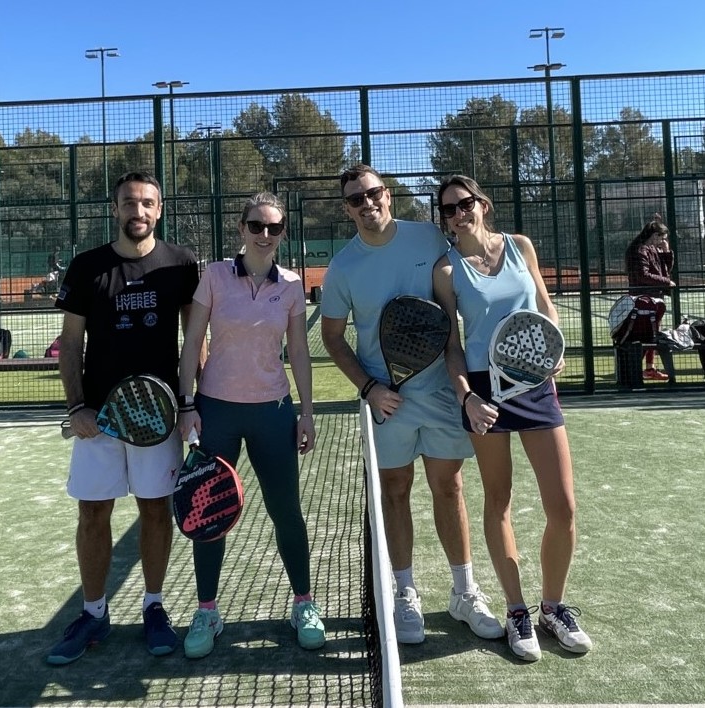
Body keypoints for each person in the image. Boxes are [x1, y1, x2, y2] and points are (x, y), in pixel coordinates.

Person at [320, 164, 502, 646]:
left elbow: (468, 277)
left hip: (442, 392)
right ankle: (405, 594)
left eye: (374, 193)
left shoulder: (428, 237)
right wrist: (369, 389)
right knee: (395, 489)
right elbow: (333, 339)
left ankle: (464, 592)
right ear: (347, 209)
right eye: (356, 199)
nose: (368, 203)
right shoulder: (343, 266)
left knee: (449, 487)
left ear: (388, 194)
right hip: (386, 400)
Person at [432, 173, 593, 662]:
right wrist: (466, 398)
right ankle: (517, 610)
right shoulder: (446, 269)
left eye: (465, 204)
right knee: (498, 499)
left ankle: (554, 607)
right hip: (485, 391)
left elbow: (544, 305)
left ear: (483, 204)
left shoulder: (520, 246)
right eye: (448, 210)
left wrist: (554, 346)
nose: (459, 214)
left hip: (535, 383)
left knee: (563, 507)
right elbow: (451, 346)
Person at [46, 171, 201, 665]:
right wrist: (77, 407)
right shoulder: (88, 266)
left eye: (148, 203)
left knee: (156, 511)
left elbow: (194, 342)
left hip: (159, 419)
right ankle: (94, 613)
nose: (138, 211)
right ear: (115, 209)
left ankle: (154, 607)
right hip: (99, 420)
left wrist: (189, 403)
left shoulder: (181, 263)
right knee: (93, 513)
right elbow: (71, 343)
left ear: (160, 210)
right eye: (129, 203)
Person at [176, 192, 325, 659]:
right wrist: (186, 405)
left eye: (274, 228)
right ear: (241, 229)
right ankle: (207, 611)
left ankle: (303, 603)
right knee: (208, 515)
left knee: (287, 513)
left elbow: (298, 351)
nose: (264, 235)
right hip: (216, 410)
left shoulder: (292, 284)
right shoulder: (216, 276)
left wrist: (306, 411)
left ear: (282, 234)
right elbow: (193, 340)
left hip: (273, 412)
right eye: (256, 226)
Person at [625, 216, 675, 380]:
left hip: (654, 298)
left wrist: (666, 251)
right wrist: (667, 282)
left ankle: (649, 368)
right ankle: (636, 370)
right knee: (646, 334)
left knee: (654, 332)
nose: (662, 240)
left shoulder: (653, 249)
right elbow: (643, 275)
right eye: (661, 237)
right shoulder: (639, 250)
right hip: (643, 299)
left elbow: (665, 269)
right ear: (654, 235)